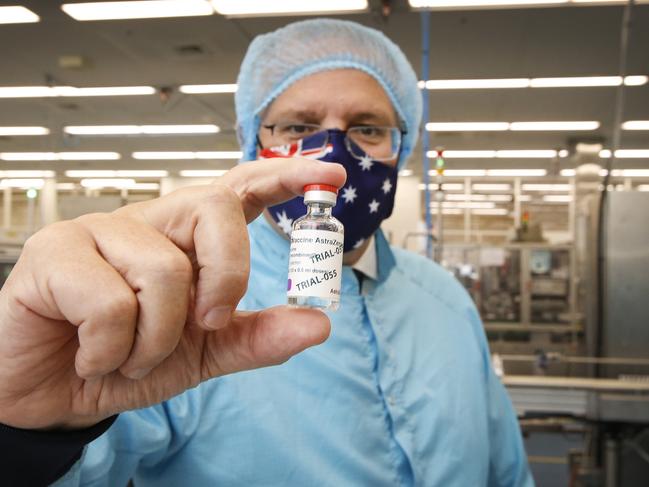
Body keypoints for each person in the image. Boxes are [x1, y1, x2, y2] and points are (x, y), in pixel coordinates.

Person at [0, 19, 533, 487]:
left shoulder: (446, 301)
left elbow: (505, 471)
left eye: (368, 129)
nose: (333, 151)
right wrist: (29, 432)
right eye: (299, 127)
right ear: (255, 141)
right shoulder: (181, 305)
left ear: (403, 145)